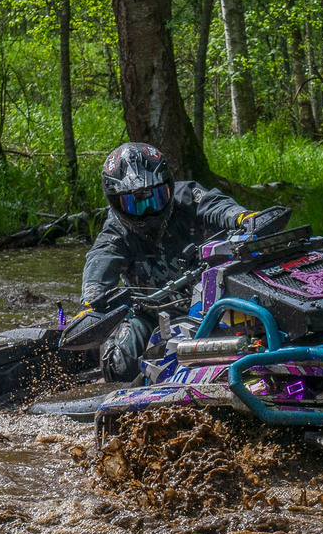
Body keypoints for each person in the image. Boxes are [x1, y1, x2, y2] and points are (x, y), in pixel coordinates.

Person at [81, 141, 255, 381]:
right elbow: (100, 259)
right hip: (151, 313)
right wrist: (92, 301)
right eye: (135, 203)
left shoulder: (188, 196)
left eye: (155, 198)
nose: (148, 211)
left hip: (216, 300)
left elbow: (219, 206)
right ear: (115, 200)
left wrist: (244, 218)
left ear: (168, 186)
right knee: (121, 363)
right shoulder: (115, 231)